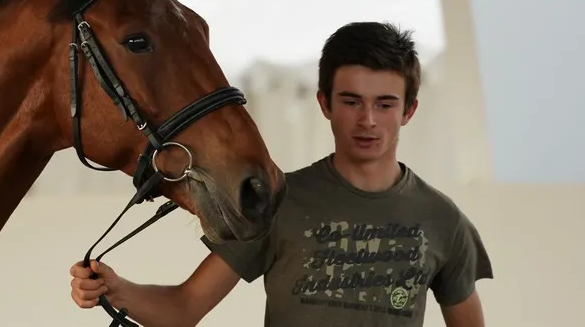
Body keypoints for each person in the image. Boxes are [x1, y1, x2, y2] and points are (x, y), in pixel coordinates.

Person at [69, 21, 493, 327]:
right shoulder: (277, 199)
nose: (368, 120)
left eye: (384, 104)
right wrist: (114, 288)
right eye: (351, 102)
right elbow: (184, 307)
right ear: (324, 104)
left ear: (409, 110)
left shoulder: (443, 219)